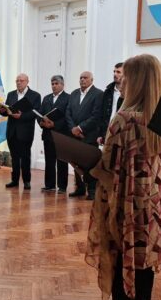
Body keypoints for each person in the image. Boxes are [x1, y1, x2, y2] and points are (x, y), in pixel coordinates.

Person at [85, 54, 161, 300]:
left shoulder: (124, 119)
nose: (120, 82)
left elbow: (107, 166)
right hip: (152, 206)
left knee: (123, 262)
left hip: (124, 204)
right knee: (144, 264)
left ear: (137, 81)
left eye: (126, 77)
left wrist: (86, 163)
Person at [66, 71, 103, 199]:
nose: (82, 80)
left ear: (92, 80)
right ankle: (80, 188)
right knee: (76, 162)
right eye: (80, 77)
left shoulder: (98, 94)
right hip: (74, 135)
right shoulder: (74, 93)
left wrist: (80, 128)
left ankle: (92, 190)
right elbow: (68, 112)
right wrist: (72, 128)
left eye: (85, 78)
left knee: (90, 163)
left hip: (89, 135)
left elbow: (96, 115)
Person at [1, 73, 41, 190]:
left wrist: (21, 116)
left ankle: (27, 181)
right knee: (14, 157)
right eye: (17, 81)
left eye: (21, 80)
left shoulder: (35, 95)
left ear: (27, 82)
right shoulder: (11, 94)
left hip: (25, 131)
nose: (19, 82)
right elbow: (7, 111)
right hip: (12, 131)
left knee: (25, 157)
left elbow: (36, 112)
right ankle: (14, 180)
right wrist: (2, 110)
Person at [38, 75, 70, 193]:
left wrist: (54, 125)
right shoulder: (46, 98)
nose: (54, 86)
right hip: (47, 134)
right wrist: (41, 122)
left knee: (62, 161)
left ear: (62, 85)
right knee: (49, 161)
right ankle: (50, 185)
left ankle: (62, 186)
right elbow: (40, 113)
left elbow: (68, 116)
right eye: (52, 84)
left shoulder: (68, 98)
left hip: (61, 134)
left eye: (56, 84)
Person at [99, 63, 124, 137]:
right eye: (114, 71)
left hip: (122, 132)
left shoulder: (131, 93)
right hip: (107, 131)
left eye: (118, 72)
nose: (115, 74)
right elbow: (102, 114)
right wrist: (100, 134)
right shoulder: (108, 91)